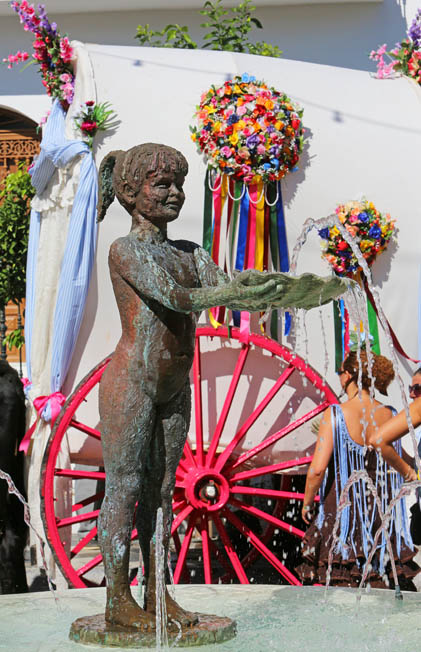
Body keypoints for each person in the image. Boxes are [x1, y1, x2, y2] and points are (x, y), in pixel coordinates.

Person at [95, 143, 347, 631]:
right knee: (125, 489)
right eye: (161, 184)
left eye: (179, 185)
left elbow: (225, 285)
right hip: (131, 383)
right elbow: (180, 298)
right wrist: (234, 290)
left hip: (172, 386)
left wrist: (272, 289)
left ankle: (157, 595)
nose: (174, 194)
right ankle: (117, 601)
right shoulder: (125, 250)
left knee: (163, 493)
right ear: (130, 192)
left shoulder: (190, 251)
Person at [296, 350, 418, 589]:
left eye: (341, 372)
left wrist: (307, 503)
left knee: (340, 591)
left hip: (343, 516)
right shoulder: (390, 414)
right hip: (380, 514)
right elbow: (404, 459)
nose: (340, 377)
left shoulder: (335, 414)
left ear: (349, 376)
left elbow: (317, 470)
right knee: (382, 587)